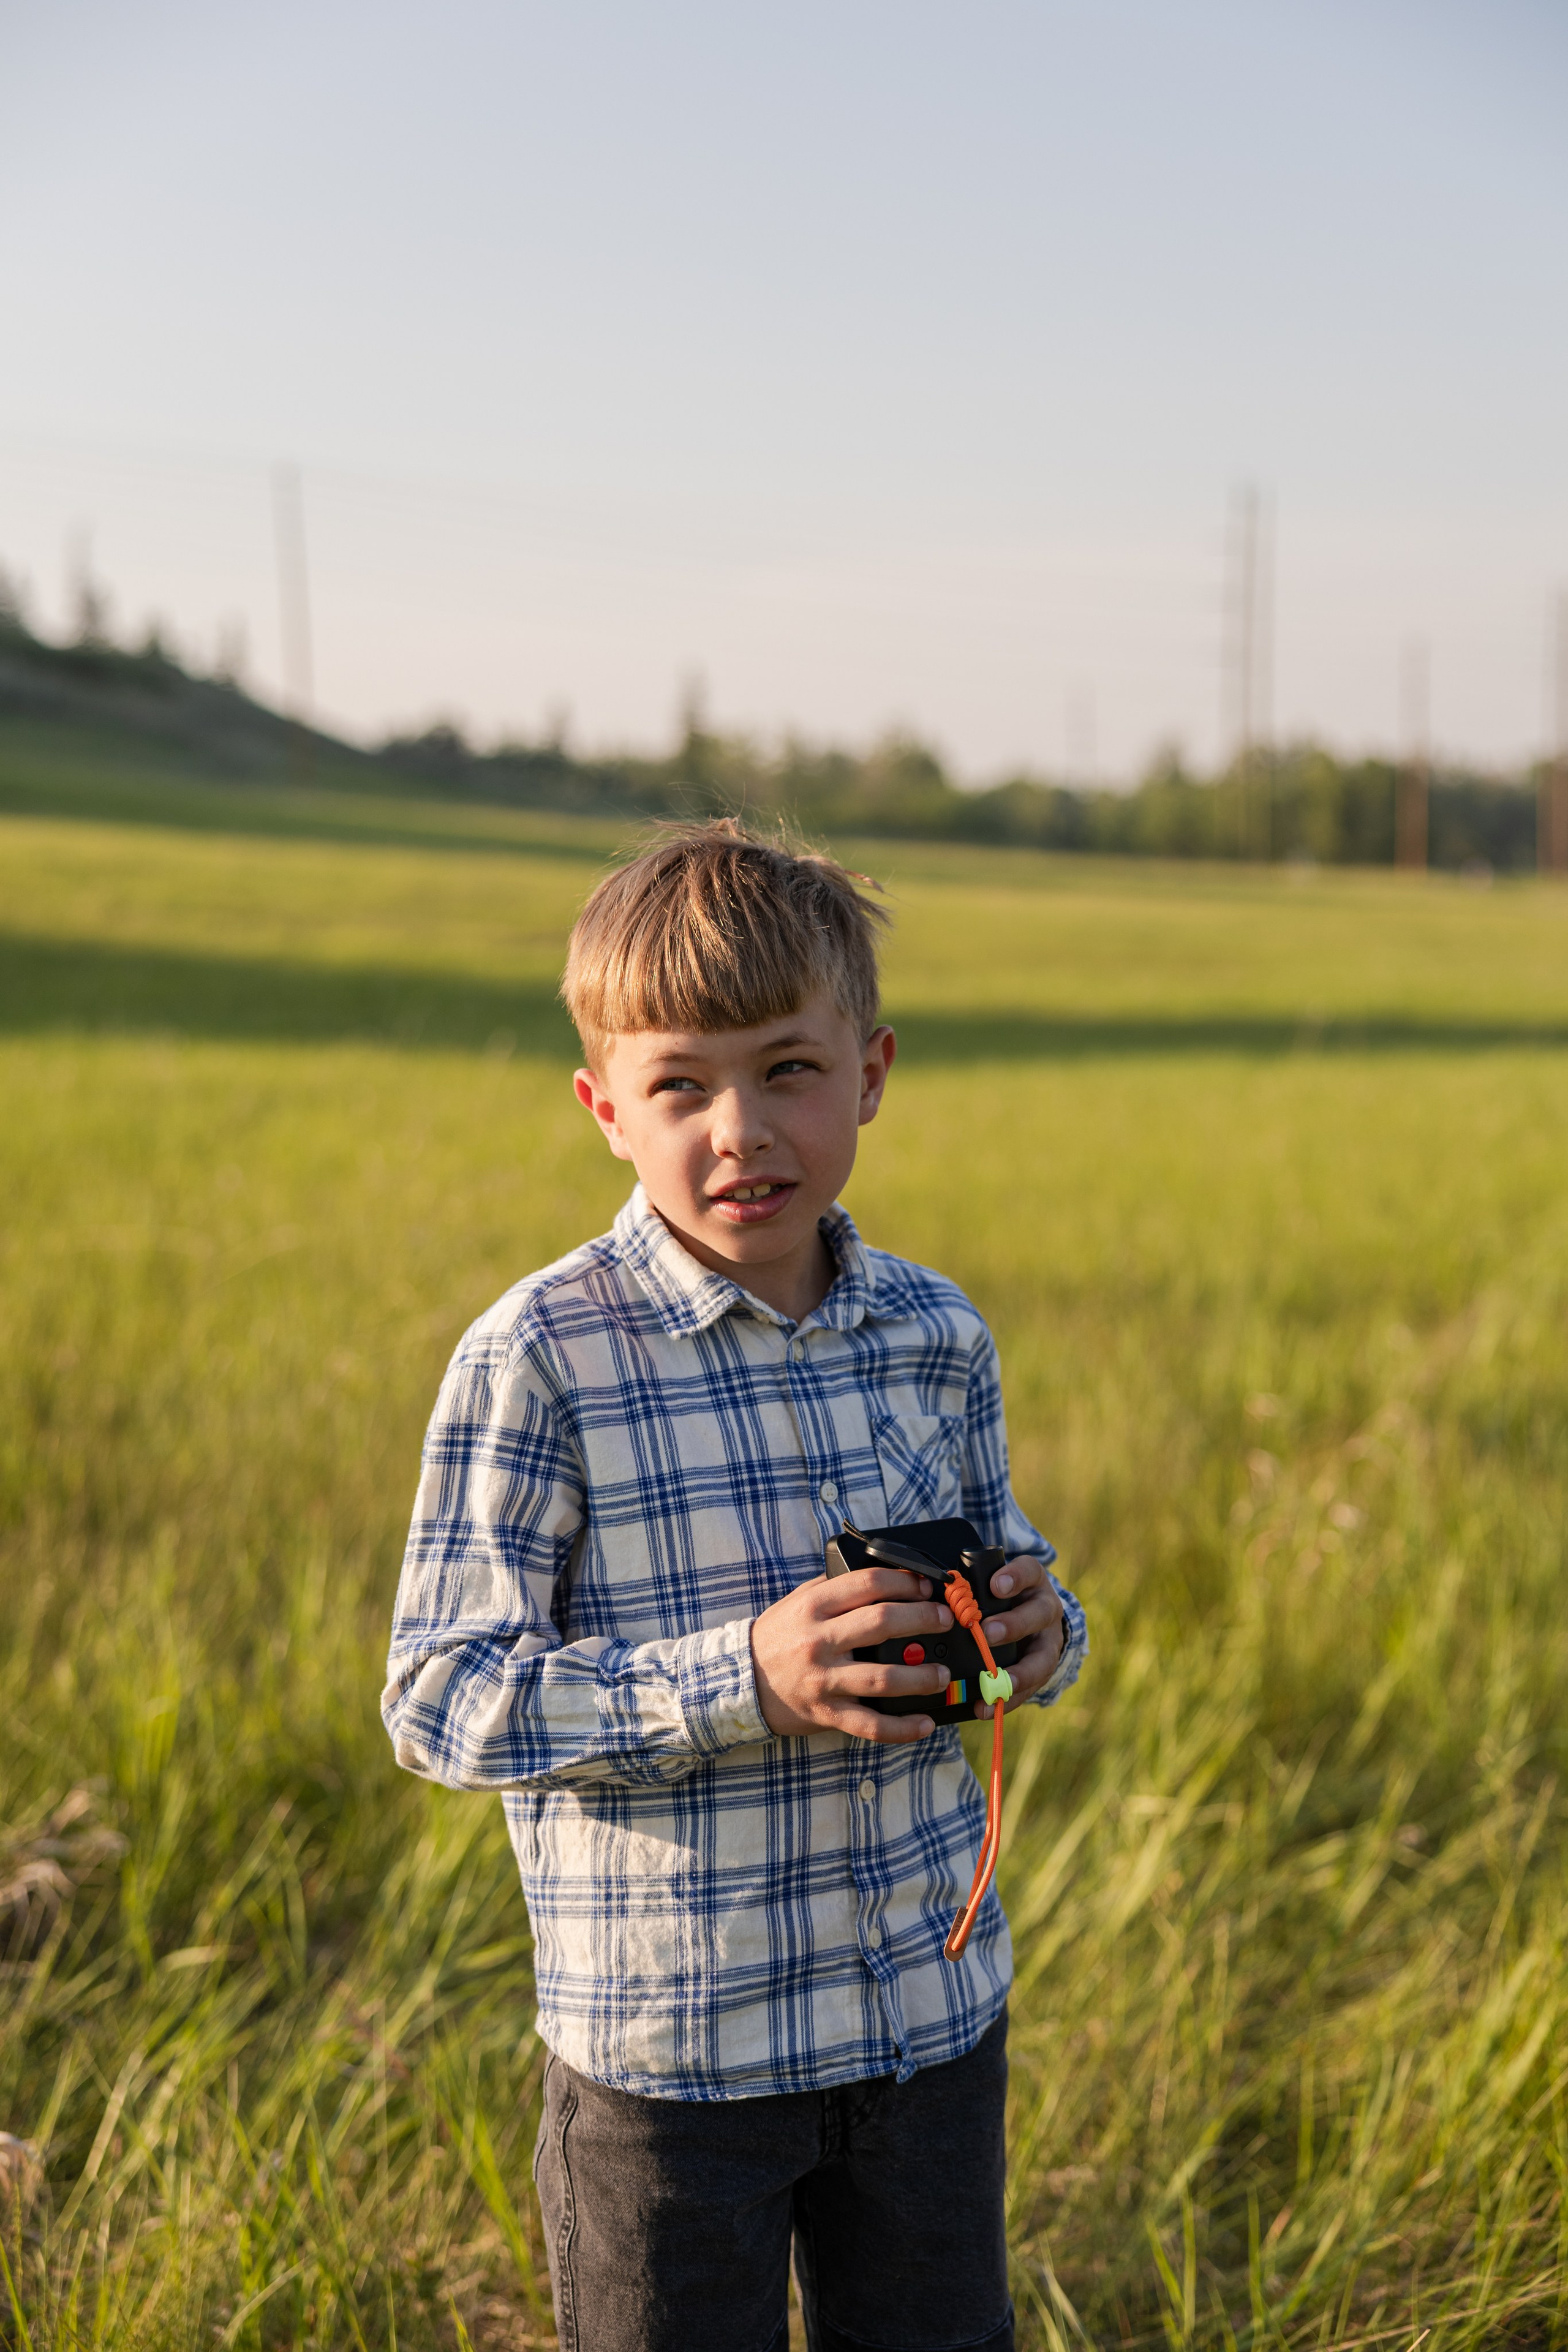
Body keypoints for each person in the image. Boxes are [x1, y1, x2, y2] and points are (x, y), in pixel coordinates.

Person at [382, 819, 1087, 2352]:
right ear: (603, 1109)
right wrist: (745, 1681)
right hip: (676, 2066)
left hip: (923, 2024)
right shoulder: (542, 1358)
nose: (740, 1131)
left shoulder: (934, 1335)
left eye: (788, 1070)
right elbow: (440, 1697)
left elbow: (1002, 1567)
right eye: (680, 1086)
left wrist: (1041, 1630)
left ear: (870, 1074)